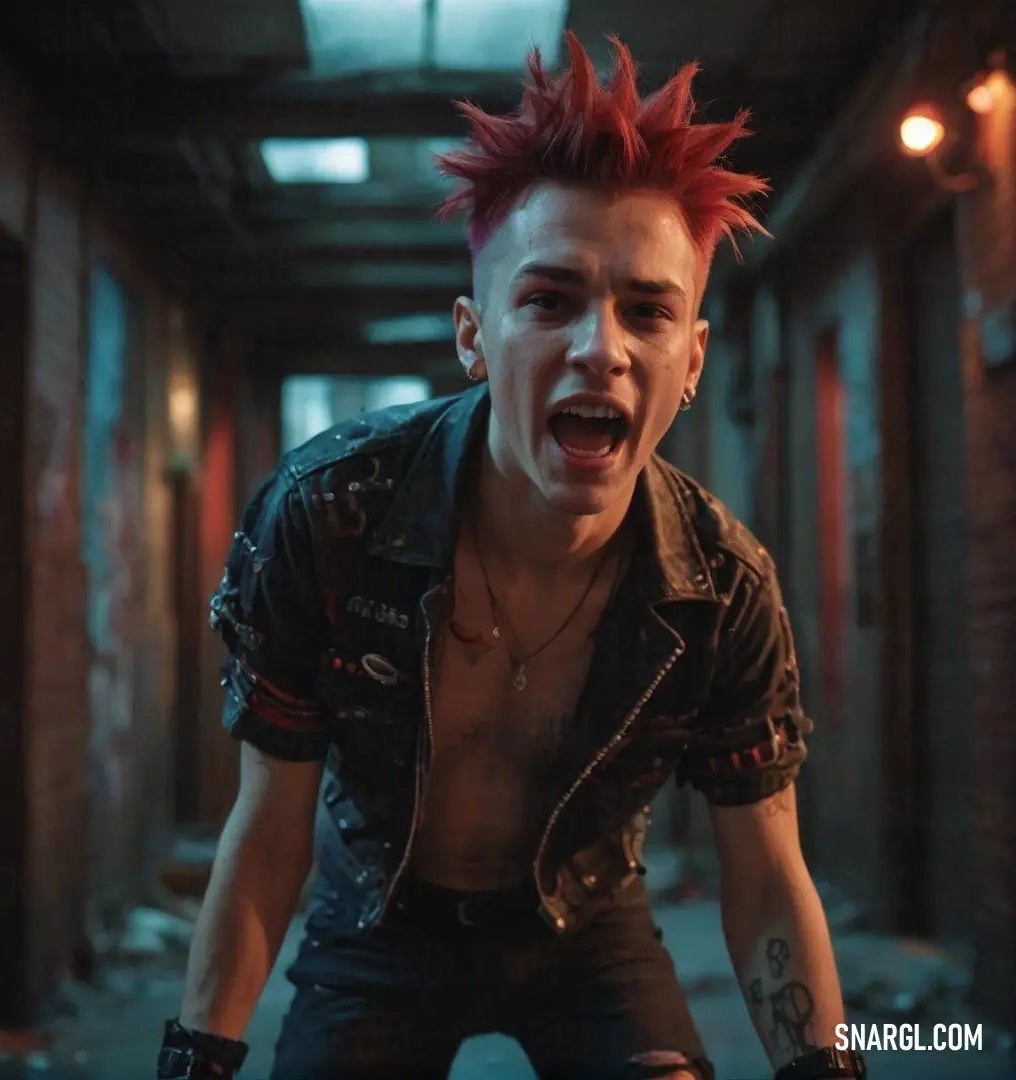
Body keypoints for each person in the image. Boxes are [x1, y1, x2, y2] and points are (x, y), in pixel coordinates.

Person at [157, 33, 866, 1080]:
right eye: (549, 300)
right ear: (472, 335)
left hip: (587, 930)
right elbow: (267, 834)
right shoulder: (330, 520)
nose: (601, 348)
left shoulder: (721, 589)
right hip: (376, 927)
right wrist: (198, 1062)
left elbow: (766, 873)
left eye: (648, 309)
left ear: (693, 361)